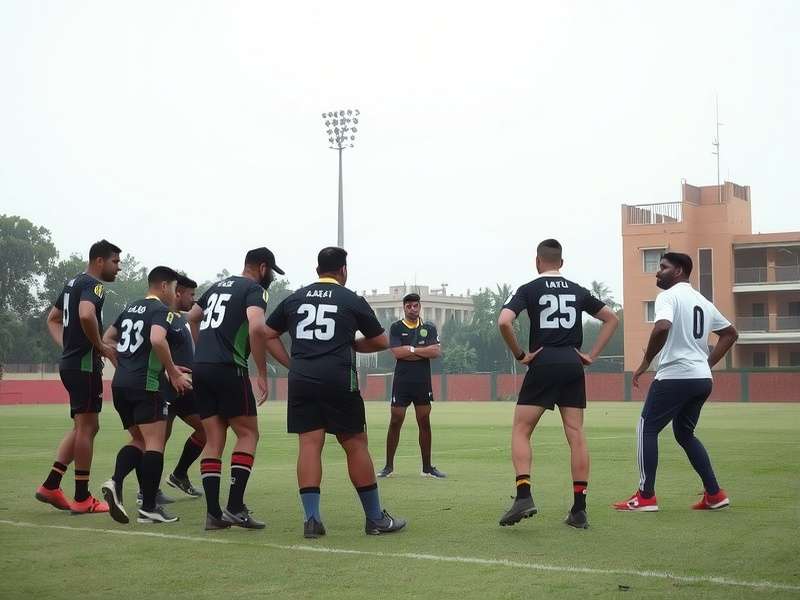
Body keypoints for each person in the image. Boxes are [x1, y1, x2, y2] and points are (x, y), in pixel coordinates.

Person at [265, 247, 407, 538]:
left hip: (302, 378)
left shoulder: (295, 297)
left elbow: (265, 333)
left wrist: (292, 364)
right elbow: (381, 340)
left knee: (309, 444)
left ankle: (312, 520)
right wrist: (353, 345)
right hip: (339, 377)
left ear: (318, 269)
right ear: (343, 270)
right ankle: (375, 519)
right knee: (355, 443)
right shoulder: (350, 299)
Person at [497, 238, 618, 529]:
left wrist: (520, 355)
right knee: (576, 433)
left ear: (537, 262)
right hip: (572, 363)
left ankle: (524, 494)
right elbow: (611, 319)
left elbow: (504, 321)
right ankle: (579, 509)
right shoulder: (577, 290)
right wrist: (591, 355)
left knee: (522, 429)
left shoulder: (529, 288)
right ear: (561, 263)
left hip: (543, 361)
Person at [613, 252, 738, 512]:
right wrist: (705, 364)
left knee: (646, 429)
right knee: (685, 433)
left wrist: (647, 361)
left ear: (679, 270)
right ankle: (714, 494)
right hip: (701, 380)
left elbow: (661, 326)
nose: (658, 272)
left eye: (663, 267)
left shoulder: (667, 296)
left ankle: (645, 496)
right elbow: (730, 334)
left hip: (674, 377)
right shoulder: (702, 301)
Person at [187, 247, 286, 530]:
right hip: (229, 367)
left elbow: (192, 317)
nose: (271, 280)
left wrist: (204, 349)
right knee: (248, 433)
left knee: (214, 439)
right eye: (272, 273)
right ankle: (234, 507)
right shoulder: (255, 290)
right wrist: (262, 373)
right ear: (263, 268)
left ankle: (213, 514)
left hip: (202, 368)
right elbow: (257, 328)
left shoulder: (215, 287)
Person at [100, 266, 193, 524]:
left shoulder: (131, 308)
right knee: (154, 444)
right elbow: (157, 340)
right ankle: (147, 507)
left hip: (121, 385)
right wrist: (173, 372)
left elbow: (107, 338)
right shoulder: (160, 310)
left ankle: (117, 483)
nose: (175, 295)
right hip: (147, 385)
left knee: (139, 441)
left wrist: (126, 364)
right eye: (175, 289)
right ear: (164, 286)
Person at [36, 239, 121, 514]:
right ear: (100, 261)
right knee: (87, 428)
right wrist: (100, 346)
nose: (118, 268)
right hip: (84, 366)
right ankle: (83, 498)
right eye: (115, 262)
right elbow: (86, 315)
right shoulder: (94, 285)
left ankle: (51, 485)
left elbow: (52, 318)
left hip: (71, 363)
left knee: (83, 427)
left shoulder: (73, 283)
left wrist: (68, 346)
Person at [377, 292, 445, 479]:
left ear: (420, 306)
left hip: (422, 382)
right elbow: (397, 353)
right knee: (396, 420)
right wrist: (421, 351)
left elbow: (436, 351)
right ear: (404, 307)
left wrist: (412, 350)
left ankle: (427, 468)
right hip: (402, 381)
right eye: (409, 306)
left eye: (416, 305)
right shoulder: (397, 328)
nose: (413, 309)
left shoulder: (429, 327)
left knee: (424, 422)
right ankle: (388, 467)